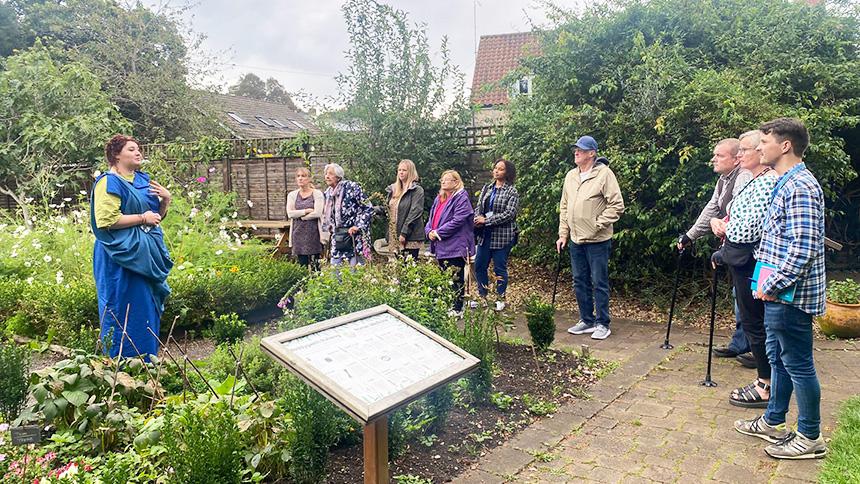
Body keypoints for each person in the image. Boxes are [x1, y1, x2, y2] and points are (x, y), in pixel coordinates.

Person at [735, 118, 827, 460]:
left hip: (789, 295)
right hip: (776, 292)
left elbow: (803, 247)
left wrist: (771, 285)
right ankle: (774, 421)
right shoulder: (785, 182)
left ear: (785, 145)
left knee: (798, 363)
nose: (759, 148)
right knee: (778, 360)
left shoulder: (800, 186)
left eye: (764, 142)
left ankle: (810, 436)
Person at [711, 130, 777, 408]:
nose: (740, 155)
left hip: (752, 261)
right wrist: (722, 225)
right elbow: (735, 215)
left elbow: (749, 228)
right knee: (753, 321)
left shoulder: (767, 182)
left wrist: (725, 227)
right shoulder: (753, 180)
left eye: (746, 150)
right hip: (741, 259)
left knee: (756, 322)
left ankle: (766, 385)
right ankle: (766, 380)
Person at [90, 134, 173, 359]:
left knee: (146, 308)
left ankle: (147, 363)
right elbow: (106, 221)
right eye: (131, 149)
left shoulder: (143, 181)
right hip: (119, 257)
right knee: (120, 309)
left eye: (139, 149)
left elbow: (154, 217)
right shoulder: (109, 181)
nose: (138, 153)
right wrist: (142, 217)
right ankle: (122, 368)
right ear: (116, 155)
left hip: (145, 257)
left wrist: (165, 201)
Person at [678, 138, 754, 363]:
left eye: (719, 155)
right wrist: (690, 236)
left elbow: (741, 213)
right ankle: (742, 344)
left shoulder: (744, 177)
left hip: (748, 248)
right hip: (735, 246)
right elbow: (711, 208)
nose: (714, 159)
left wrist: (723, 230)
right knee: (739, 295)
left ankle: (759, 351)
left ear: (735, 157)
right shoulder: (723, 180)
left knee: (749, 298)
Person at [556, 136, 624, 340]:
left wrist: (597, 224)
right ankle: (587, 320)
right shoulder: (570, 176)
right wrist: (563, 234)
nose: (576, 152)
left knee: (599, 282)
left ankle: (603, 323)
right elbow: (565, 207)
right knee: (579, 281)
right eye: (575, 149)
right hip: (575, 240)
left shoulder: (604, 174)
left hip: (598, 240)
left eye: (581, 149)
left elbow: (617, 205)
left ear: (592, 153)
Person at [426, 170, 475, 316]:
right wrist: (429, 231)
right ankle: (449, 304)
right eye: (442, 179)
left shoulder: (461, 198)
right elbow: (431, 218)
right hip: (440, 244)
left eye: (447, 179)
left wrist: (438, 232)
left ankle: (457, 308)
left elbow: (458, 220)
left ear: (456, 182)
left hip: (455, 244)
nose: (443, 181)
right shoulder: (439, 198)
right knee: (445, 276)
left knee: (455, 277)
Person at [473, 159, 520, 311]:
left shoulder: (511, 191)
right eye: (495, 168)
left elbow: (509, 214)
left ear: (507, 172)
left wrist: (487, 220)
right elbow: (479, 207)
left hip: (502, 236)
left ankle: (500, 297)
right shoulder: (487, 188)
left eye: (500, 169)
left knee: (500, 268)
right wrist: (477, 219)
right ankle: (483, 296)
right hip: (484, 235)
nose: (496, 171)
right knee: (480, 266)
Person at [322, 163, 374, 268]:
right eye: (326, 174)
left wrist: (358, 226)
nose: (327, 176)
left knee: (355, 273)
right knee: (335, 272)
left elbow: (368, 208)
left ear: (338, 177)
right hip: (338, 237)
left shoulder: (351, 187)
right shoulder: (327, 194)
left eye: (330, 174)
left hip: (355, 237)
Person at [385, 159, 425, 260]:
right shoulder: (393, 189)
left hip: (409, 236)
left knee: (409, 268)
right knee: (397, 269)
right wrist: (372, 209)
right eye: (399, 170)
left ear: (410, 172)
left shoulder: (416, 190)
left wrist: (404, 233)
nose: (401, 172)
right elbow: (387, 208)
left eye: (404, 170)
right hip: (394, 234)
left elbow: (415, 212)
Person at [286, 167, 324, 270]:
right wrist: (305, 211)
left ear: (309, 179)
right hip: (298, 233)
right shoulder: (292, 195)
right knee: (302, 265)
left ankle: (317, 285)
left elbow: (317, 213)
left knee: (316, 265)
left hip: (314, 234)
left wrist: (301, 217)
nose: (300, 178)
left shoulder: (317, 194)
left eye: (303, 176)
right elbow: (290, 213)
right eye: (298, 176)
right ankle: (304, 285)